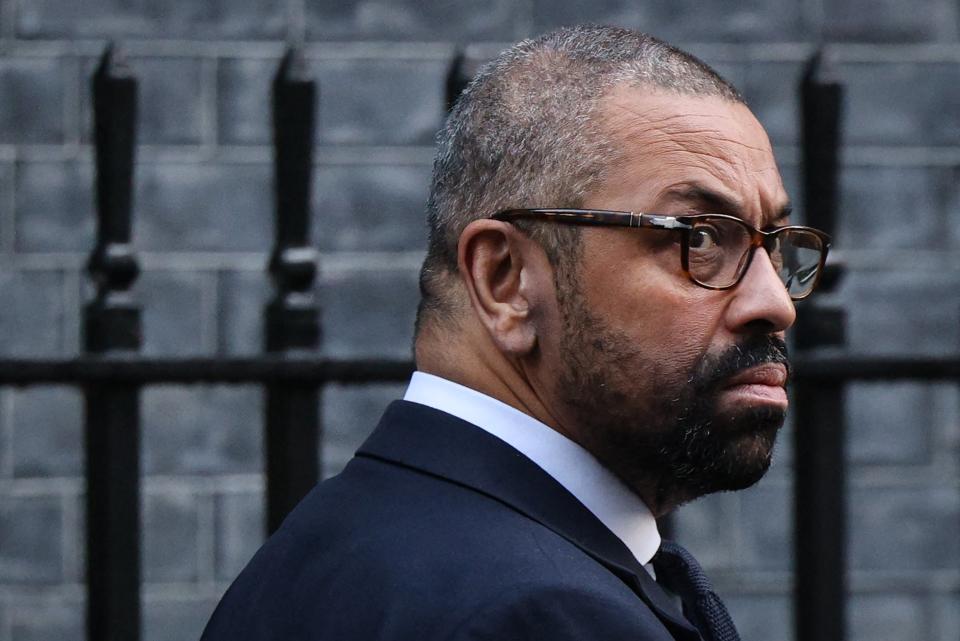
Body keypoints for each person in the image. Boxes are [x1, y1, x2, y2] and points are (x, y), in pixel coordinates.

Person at [201, 25, 830, 641]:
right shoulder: (542, 613)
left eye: (774, 245)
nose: (776, 304)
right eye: (698, 238)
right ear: (505, 280)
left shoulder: (331, 544)